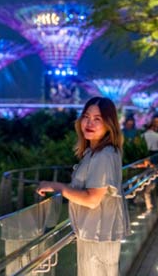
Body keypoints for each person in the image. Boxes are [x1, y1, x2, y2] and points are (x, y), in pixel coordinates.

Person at [38, 97, 128, 276]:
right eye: (86, 117)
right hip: (94, 233)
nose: (89, 123)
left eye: (97, 119)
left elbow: (92, 200)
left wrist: (57, 186)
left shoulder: (103, 155)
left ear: (109, 124)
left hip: (97, 237)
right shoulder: (95, 152)